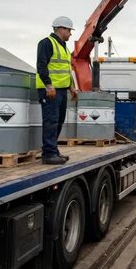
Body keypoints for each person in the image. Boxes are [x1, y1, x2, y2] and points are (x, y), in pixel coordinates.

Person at [36, 16, 78, 165]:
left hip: (61, 90)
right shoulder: (47, 43)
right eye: (69, 30)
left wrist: (71, 86)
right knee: (51, 121)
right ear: (61, 29)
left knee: (59, 121)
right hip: (50, 90)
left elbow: (66, 70)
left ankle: (53, 149)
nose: (70, 34)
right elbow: (41, 65)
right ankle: (48, 153)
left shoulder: (63, 47)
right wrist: (48, 85)